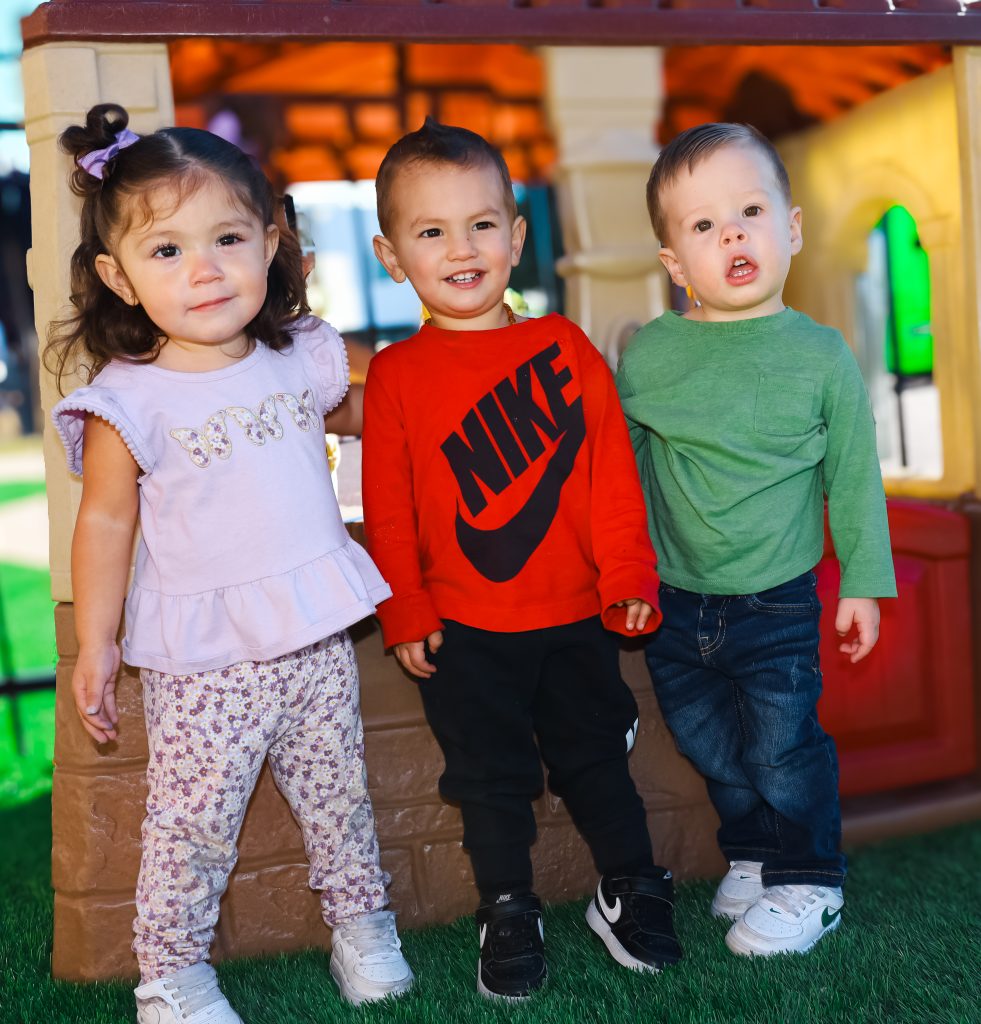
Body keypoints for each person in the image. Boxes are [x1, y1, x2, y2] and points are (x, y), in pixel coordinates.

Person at [48, 103, 414, 1023]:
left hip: (317, 638)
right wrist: (94, 644)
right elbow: (102, 526)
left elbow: (391, 414)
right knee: (191, 827)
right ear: (118, 278)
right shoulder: (127, 402)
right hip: (206, 662)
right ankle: (170, 976)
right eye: (165, 250)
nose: (204, 268)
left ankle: (363, 927)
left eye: (227, 238)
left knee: (339, 799)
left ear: (271, 243)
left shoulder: (301, 359)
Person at [361, 118, 682, 1001]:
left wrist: (626, 576)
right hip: (462, 630)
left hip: (577, 616)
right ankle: (507, 906)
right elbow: (388, 513)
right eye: (431, 232)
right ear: (391, 254)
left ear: (516, 234)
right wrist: (406, 609)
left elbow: (611, 480)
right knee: (489, 781)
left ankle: (629, 886)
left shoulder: (567, 350)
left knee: (595, 760)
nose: (460, 248)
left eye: (480, 224)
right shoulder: (395, 375)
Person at [617, 122, 897, 958]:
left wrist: (863, 582)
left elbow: (852, 474)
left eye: (749, 210)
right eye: (702, 225)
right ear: (674, 264)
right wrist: (622, 570)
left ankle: (810, 877)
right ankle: (754, 852)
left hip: (775, 598)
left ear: (793, 228)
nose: (731, 233)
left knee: (781, 747)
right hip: (674, 597)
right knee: (708, 743)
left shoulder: (819, 355)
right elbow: (623, 472)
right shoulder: (651, 356)